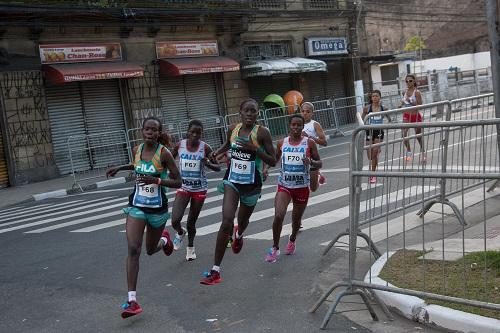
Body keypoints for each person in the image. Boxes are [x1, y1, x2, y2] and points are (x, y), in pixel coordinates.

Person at [106, 116, 182, 318]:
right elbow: (136, 166)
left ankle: (164, 239)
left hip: (157, 209)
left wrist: (157, 180)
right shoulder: (137, 150)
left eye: (154, 130)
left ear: (159, 133)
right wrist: (119, 168)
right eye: (147, 129)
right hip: (137, 206)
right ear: (142, 131)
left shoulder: (164, 154)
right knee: (133, 248)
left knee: (149, 250)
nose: (150, 132)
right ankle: (132, 300)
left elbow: (178, 181)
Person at [200, 98, 276, 285]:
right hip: (232, 181)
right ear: (240, 112)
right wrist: (216, 153)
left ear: (258, 114)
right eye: (246, 111)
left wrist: (254, 149)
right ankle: (215, 270)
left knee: (242, 222)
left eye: (254, 111)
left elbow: (273, 160)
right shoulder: (233, 129)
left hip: (251, 185)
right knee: (226, 220)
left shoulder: (262, 133)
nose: (250, 114)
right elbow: (228, 144)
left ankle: (239, 234)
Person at [265, 114, 321, 262]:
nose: (295, 127)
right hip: (284, 186)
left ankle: (292, 239)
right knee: (279, 215)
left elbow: (319, 163)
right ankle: (275, 247)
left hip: (302, 187)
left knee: (296, 220)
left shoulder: (309, 143)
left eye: (298, 125)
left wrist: (311, 162)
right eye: (293, 125)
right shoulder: (281, 143)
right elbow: (274, 160)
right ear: (289, 126)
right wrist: (265, 169)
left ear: (303, 127)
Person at [170, 120, 221, 261]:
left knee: (191, 222)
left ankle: (190, 248)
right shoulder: (180, 145)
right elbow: (168, 159)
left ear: (201, 134)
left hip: (199, 189)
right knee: (175, 220)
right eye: (192, 132)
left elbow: (218, 167)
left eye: (198, 133)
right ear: (187, 132)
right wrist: (172, 172)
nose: (195, 135)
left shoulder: (205, 148)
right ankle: (180, 232)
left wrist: (208, 163)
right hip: (184, 187)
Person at [362, 90, 390, 184]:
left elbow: (389, 118)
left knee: (374, 153)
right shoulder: (367, 108)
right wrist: (362, 126)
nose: (375, 98)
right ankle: (377, 149)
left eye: (377, 96)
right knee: (370, 156)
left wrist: (390, 123)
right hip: (369, 131)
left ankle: (373, 175)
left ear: (380, 97)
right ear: (371, 98)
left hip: (379, 132)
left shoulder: (383, 108)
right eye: (373, 96)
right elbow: (362, 119)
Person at [399, 74, 426, 163]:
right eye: (406, 81)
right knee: (404, 134)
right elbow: (402, 102)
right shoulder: (404, 92)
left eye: (410, 81)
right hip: (406, 116)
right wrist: (400, 104)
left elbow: (420, 105)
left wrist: (412, 102)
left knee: (418, 136)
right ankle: (409, 152)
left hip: (415, 116)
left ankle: (423, 153)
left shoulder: (417, 92)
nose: (408, 83)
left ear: (414, 81)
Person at [300, 102, 327, 191]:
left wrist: (310, 138)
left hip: (313, 157)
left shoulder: (315, 124)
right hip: (301, 157)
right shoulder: (297, 123)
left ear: (312, 113)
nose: (305, 113)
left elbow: (324, 142)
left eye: (308, 111)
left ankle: (318, 176)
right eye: (303, 111)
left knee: (313, 188)